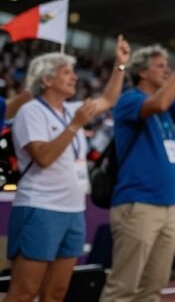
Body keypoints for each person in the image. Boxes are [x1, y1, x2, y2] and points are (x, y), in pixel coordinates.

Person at [7, 37, 131, 302]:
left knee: (58, 293)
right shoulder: (31, 112)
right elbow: (42, 157)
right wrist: (74, 126)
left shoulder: (72, 110)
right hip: (40, 208)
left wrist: (119, 66)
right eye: (66, 72)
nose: (75, 77)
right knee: (24, 292)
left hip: (74, 211)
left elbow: (109, 98)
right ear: (46, 80)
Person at [101, 42, 175, 302]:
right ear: (142, 73)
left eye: (168, 66)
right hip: (138, 203)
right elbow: (159, 103)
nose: (167, 70)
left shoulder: (168, 108)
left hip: (166, 205)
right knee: (124, 286)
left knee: (154, 287)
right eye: (160, 66)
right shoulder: (130, 100)